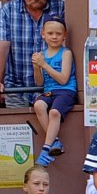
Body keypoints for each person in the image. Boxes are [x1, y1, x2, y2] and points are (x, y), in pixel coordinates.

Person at [0, 0, 65, 108]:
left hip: (51, 86)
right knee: (17, 127)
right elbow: (2, 49)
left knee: (49, 126)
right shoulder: (8, 10)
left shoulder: (60, 8)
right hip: (17, 86)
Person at [31, 17, 77, 166]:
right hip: (49, 91)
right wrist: (36, 67)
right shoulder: (41, 54)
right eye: (50, 33)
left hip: (66, 91)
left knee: (54, 113)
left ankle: (45, 149)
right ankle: (55, 141)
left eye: (58, 33)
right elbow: (39, 82)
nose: (54, 37)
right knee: (38, 105)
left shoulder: (66, 53)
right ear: (43, 34)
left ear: (65, 35)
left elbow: (63, 79)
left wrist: (44, 65)